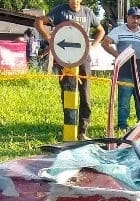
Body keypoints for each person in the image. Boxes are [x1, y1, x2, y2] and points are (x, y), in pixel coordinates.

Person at [35, 0, 105, 140]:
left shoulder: (88, 12)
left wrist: (93, 46)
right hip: (65, 58)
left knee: (85, 93)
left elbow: (101, 30)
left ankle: (82, 131)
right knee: (68, 92)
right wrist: (48, 38)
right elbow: (39, 22)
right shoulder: (60, 10)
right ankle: (69, 126)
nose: (74, 1)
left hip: (83, 57)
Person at [102, 7, 140, 134]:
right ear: (127, 17)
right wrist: (118, 56)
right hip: (125, 68)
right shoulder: (118, 30)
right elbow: (105, 43)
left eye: (138, 17)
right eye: (133, 17)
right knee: (124, 99)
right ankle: (122, 125)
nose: (136, 20)